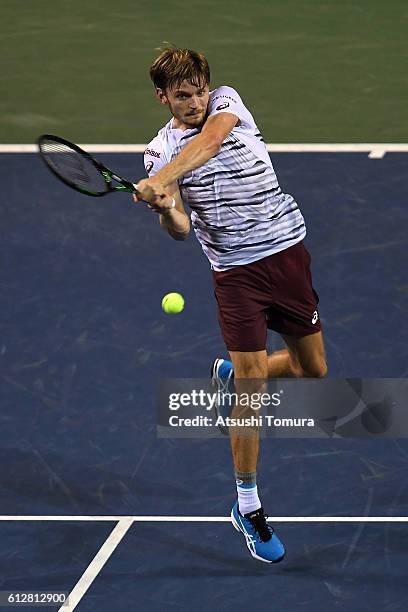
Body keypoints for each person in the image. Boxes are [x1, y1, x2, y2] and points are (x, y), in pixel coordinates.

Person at [134, 45, 327, 563]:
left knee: (314, 371)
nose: (194, 102)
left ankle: (232, 373)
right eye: (182, 95)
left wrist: (164, 178)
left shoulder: (226, 104)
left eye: (198, 91)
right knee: (253, 387)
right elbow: (179, 230)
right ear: (162, 97)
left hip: (287, 254)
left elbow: (212, 141)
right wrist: (162, 202)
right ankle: (248, 504)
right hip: (236, 275)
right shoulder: (157, 153)